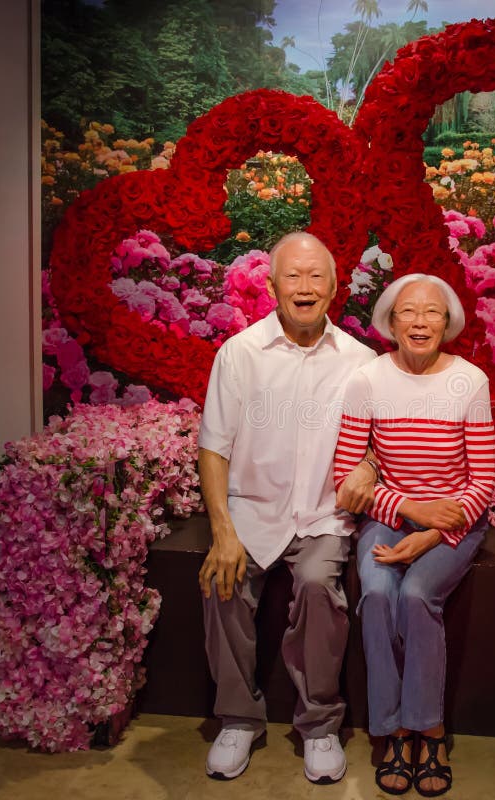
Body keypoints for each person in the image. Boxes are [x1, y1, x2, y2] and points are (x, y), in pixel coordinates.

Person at [197, 231, 378, 783]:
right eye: (292, 276)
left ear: (334, 287)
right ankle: (237, 719)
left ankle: (320, 725)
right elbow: (213, 447)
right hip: (252, 511)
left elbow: (377, 442)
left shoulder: (360, 360)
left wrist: (368, 467)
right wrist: (224, 532)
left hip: (323, 515)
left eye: (316, 276)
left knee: (321, 584)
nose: (305, 287)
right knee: (221, 579)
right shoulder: (240, 354)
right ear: (272, 286)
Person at [334, 273, 495, 797]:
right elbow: (344, 476)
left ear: (447, 322)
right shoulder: (368, 379)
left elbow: (484, 480)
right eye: (408, 312)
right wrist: (409, 510)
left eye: (432, 312)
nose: (420, 322)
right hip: (393, 510)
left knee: (419, 593)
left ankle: (429, 729)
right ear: (390, 321)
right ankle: (392, 728)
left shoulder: (468, 380)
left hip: (454, 516)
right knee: (379, 593)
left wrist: (433, 532)